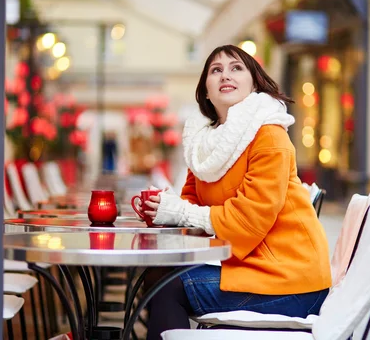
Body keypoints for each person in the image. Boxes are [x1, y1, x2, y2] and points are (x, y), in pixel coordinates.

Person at [140, 45, 332, 339]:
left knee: (166, 287)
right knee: (154, 275)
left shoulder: (269, 135)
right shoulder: (204, 144)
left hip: (292, 281)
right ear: (206, 90)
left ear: (254, 83)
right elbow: (191, 203)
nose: (225, 75)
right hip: (253, 270)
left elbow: (248, 222)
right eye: (216, 70)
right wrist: (162, 209)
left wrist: (179, 211)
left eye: (236, 68)